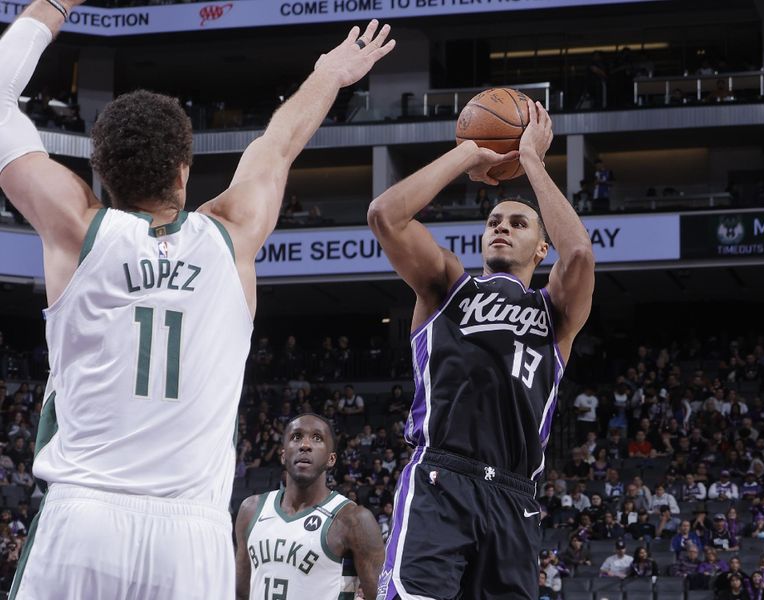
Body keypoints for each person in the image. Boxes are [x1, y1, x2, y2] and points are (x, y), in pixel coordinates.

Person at [0, 3, 395, 597]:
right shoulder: (232, 235)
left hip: (83, 520)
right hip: (190, 535)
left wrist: (52, 6)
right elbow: (278, 146)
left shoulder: (77, 230)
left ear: (99, 171)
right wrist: (329, 75)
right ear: (184, 173)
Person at [368, 99, 594, 600]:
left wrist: (531, 160)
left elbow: (577, 252)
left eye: (518, 223)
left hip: (515, 496)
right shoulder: (449, 286)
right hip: (441, 477)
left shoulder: (553, 312)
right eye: (495, 220)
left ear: (541, 249)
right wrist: (469, 152)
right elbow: (386, 214)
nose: (502, 227)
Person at [235, 414, 385, 600]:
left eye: (317, 438)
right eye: (296, 437)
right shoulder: (250, 510)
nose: (305, 445)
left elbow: (380, 596)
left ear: (331, 459)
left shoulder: (354, 520)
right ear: (283, 454)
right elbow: (241, 593)